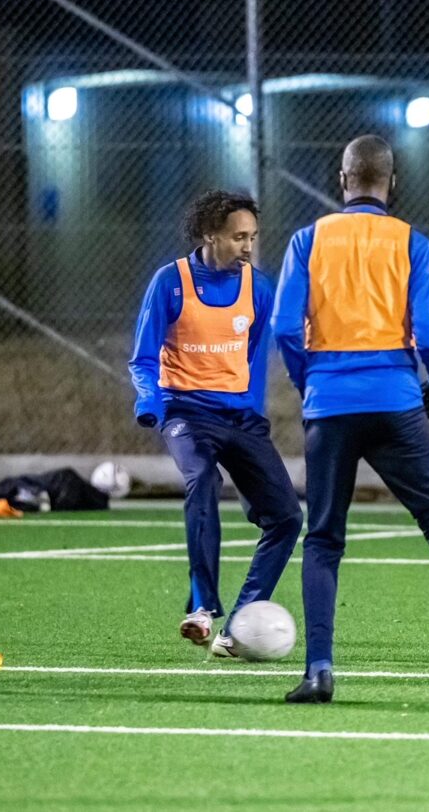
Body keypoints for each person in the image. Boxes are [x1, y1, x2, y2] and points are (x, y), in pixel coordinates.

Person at [271, 134, 429, 704]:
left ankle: (319, 671)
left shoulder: (306, 239)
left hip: (329, 407)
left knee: (323, 539)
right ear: (392, 183)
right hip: (395, 400)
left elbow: (285, 329)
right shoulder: (410, 241)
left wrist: (307, 379)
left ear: (342, 181)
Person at [129, 190, 303, 655]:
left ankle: (242, 625)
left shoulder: (259, 288)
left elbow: (254, 364)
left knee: (287, 518)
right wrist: (151, 402)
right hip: (186, 413)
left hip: (242, 419)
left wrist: (252, 416)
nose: (248, 246)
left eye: (253, 237)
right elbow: (143, 358)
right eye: (238, 237)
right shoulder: (170, 282)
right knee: (201, 478)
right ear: (209, 235)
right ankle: (202, 610)